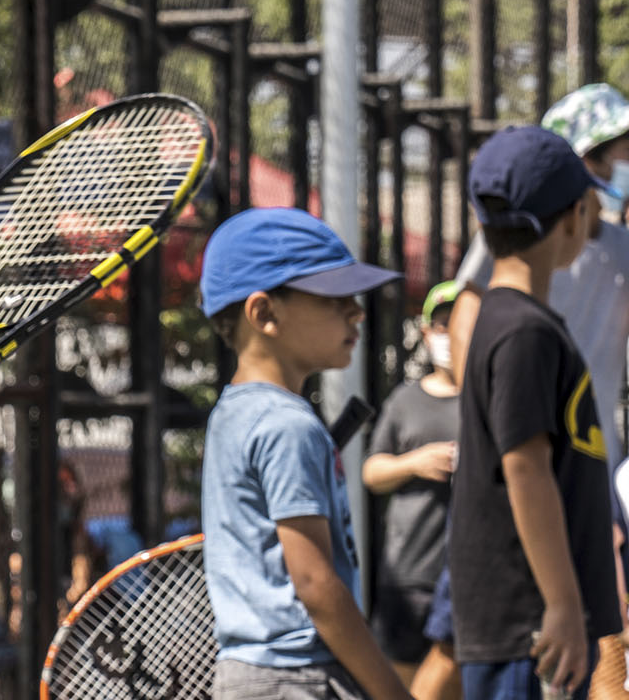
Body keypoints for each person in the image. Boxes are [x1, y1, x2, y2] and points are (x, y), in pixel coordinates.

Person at [198, 206, 409, 700]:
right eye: (335, 297)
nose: (356, 311)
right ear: (265, 313)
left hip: (250, 677)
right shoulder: (289, 426)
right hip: (299, 681)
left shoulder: (233, 413)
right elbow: (316, 585)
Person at [449, 125, 622, 699]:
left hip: (531, 621)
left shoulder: (515, 321)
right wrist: (563, 603)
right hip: (530, 625)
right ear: (575, 216)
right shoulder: (524, 330)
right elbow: (526, 468)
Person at [364, 281, 466, 685]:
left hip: (464, 574)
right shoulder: (405, 400)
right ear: (426, 332)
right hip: (408, 573)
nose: (449, 334)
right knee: (400, 684)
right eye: (441, 324)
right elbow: (372, 472)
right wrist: (415, 463)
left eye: (458, 323)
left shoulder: (489, 395)